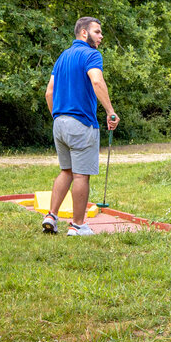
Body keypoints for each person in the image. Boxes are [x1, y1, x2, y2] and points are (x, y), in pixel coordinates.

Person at [42, 17, 119, 236]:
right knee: (81, 175)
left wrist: (57, 117)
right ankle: (77, 225)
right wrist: (110, 111)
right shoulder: (91, 55)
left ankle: (51, 216)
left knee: (66, 171)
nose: (101, 36)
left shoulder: (63, 56)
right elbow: (96, 81)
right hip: (81, 123)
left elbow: (49, 92)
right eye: (97, 31)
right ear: (84, 33)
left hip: (59, 122)